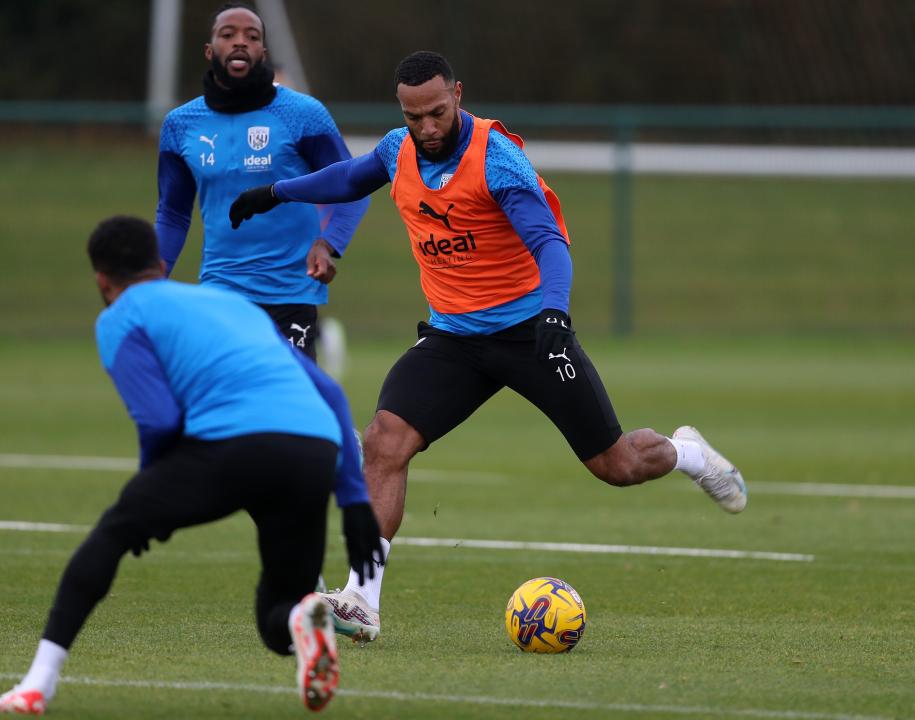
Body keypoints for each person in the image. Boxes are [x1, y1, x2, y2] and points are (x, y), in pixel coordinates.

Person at [229, 51, 747, 645]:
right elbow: (350, 176)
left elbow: (549, 241)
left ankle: (688, 454)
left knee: (617, 465)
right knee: (384, 442)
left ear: (458, 95)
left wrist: (555, 309)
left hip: (531, 333)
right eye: (413, 115)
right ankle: (362, 600)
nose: (426, 128)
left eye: (437, 113)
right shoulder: (400, 148)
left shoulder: (496, 158)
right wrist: (277, 191)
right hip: (453, 338)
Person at [0, 216, 383, 716]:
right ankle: (302, 618)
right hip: (311, 450)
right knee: (277, 616)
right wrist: (354, 500)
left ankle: (37, 683)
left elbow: (159, 422)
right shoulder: (229, 304)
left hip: (234, 445)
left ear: (101, 280)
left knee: (113, 533)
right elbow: (329, 391)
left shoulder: (119, 317)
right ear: (160, 265)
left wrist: (149, 497)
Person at [155, 2, 368, 364]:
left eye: (251, 36)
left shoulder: (302, 114)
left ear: (262, 52)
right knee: (227, 410)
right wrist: (152, 274)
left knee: (291, 412)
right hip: (221, 292)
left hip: (290, 293)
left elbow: (352, 186)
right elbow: (173, 213)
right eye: (228, 35)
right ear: (210, 51)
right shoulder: (181, 125)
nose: (240, 42)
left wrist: (328, 243)